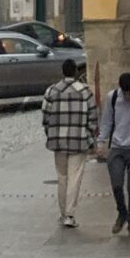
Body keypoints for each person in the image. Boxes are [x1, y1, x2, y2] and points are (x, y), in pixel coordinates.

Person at [41, 56, 99, 228]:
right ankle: (69, 214)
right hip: (78, 140)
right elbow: (93, 116)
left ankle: (62, 212)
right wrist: (91, 136)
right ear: (75, 72)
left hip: (58, 141)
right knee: (75, 177)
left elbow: (46, 117)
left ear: (62, 72)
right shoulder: (85, 91)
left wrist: (50, 133)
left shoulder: (52, 91)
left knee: (62, 177)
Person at [97, 68, 130, 237]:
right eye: (126, 93)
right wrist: (101, 142)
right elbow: (106, 121)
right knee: (117, 184)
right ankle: (122, 212)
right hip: (117, 147)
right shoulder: (112, 98)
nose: (128, 96)